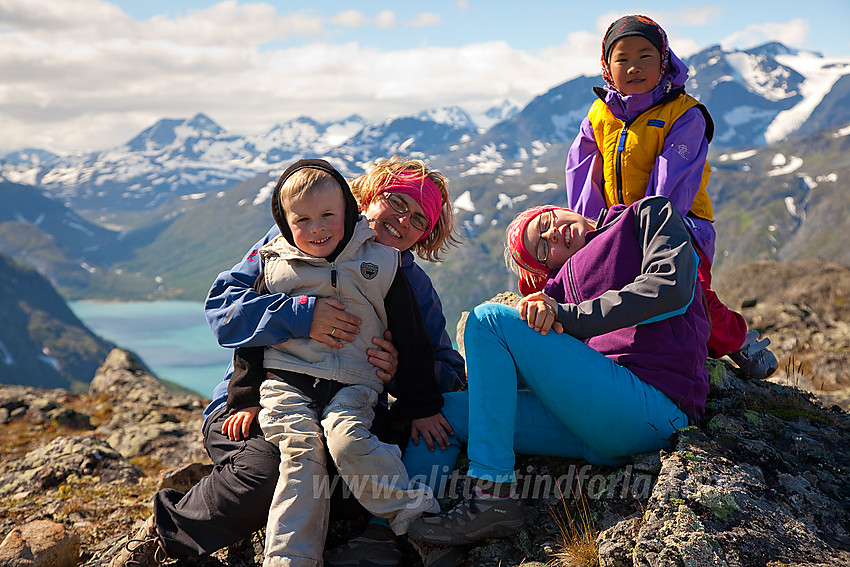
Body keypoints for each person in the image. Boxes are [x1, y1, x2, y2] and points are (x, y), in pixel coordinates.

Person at [110, 156, 465, 567]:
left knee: (347, 474)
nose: (404, 221)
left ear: (425, 236)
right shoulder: (299, 235)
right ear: (368, 194)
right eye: (398, 203)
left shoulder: (412, 283)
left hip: (348, 408)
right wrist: (300, 315)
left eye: (419, 220)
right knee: (271, 475)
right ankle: (167, 529)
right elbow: (223, 310)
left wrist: (401, 369)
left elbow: (447, 369)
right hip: (259, 400)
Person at [404, 196, 710, 554]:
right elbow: (532, 373)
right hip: (589, 419)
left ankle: (492, 495)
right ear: (547, 269)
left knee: (488, 319)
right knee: (443, 413)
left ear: (557, 207)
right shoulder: (556, 291)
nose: (554, 233)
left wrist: (568, 315)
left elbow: (672, 288)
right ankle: (398, 532)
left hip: (654, 404)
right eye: (543, 247)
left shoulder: (646, 214)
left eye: (546, 220)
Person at [563, 14, 777, 379]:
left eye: (646, 56)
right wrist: (595, 236)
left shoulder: (686, 114)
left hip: (679, 225)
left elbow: (669, 191)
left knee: (690, 294)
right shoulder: (597, 117)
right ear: (606, 67)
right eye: (622, 58)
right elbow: (582, 179)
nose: (634, 67)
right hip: (615, 229)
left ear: (663, 60)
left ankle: (738, 341)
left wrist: (637, 231)